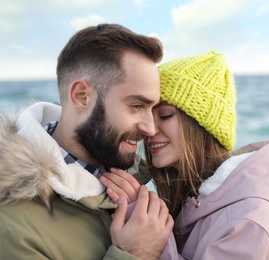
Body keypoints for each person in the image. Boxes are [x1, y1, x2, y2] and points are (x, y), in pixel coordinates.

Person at [102, 51, 269, 259]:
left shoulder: (250, 224)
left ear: (202, 126)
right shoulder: (195, 199)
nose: (150, 129)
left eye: (165, 115)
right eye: (144, 112)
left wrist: (148, 247)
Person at [0, 23, 173, 259]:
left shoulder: (136, 185)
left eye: (152, 108)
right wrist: (135, 254)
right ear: (82, 97)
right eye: (136, 106)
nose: (150, 129)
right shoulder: (11, 226)